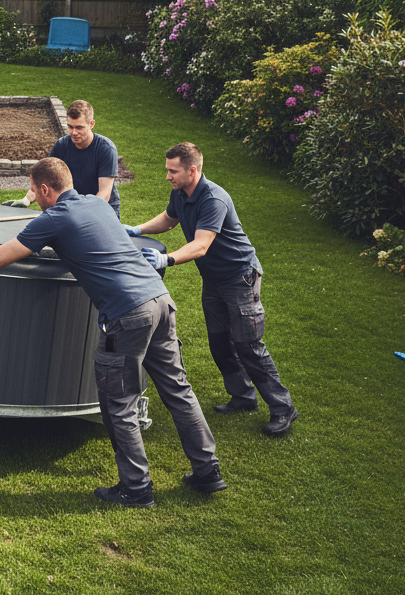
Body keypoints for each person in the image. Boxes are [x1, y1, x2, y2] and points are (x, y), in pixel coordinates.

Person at [0, 157, 225, 507]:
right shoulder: (96, 203)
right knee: (178, 389)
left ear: (45, 189)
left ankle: (136, 489)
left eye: (34, 190)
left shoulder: (54, 218)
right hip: (159, 299)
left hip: (127, 315)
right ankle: (208, 472)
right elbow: (91, 241)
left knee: (119, 403)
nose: (33, 196)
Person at [124, 142, 298, 436]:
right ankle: (243, 397)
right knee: (219, 342)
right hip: (214, 280)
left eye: (173, 171)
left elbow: (201, 245)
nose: (167, 176)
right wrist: (137, 229)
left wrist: (167, 259)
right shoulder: (181, 191)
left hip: (239, 277)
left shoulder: (213, 199)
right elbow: (170, 219)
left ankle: (283, 408)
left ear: (192, 170)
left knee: (248, 345)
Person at [3, 99, 120, 217]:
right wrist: (27, 199)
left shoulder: (105, 149)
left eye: (79, 127)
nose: (74, 132)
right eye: (70, 126)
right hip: (72, 210)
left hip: (102, 213)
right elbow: (46, 179)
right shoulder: (62, 146)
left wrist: (81, 214)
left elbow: (104, 194)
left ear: (91, 124)